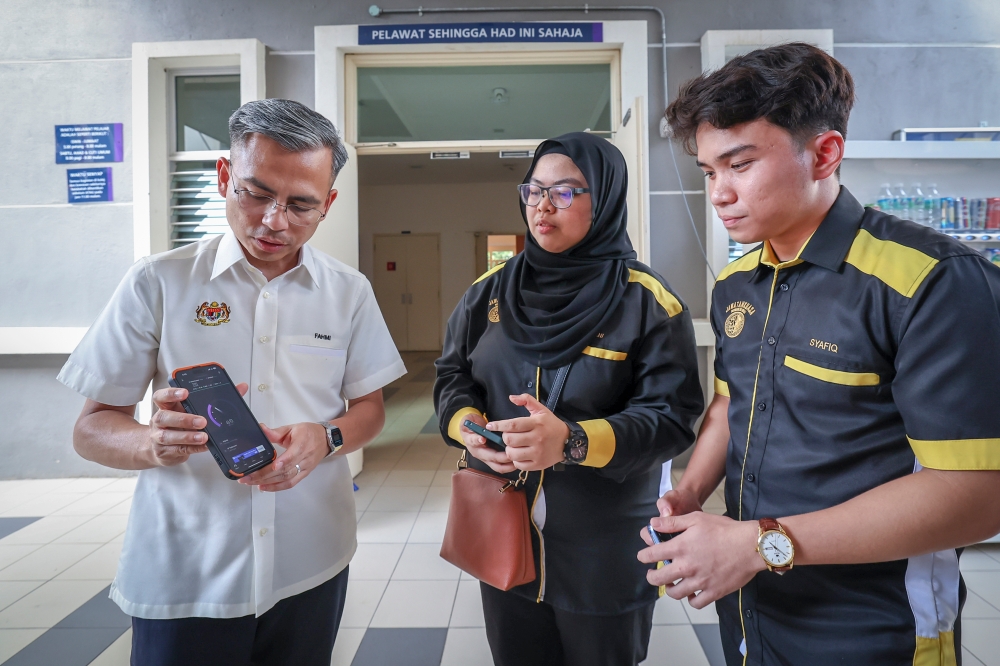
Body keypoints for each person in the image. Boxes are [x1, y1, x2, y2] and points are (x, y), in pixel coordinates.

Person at [639, 42, 1000, 665]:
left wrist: (759, 544)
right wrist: (692, 491)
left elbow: (975, 495)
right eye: (708, 172)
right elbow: (732, 402)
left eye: (740, 163)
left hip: (874, 625)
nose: (720, 192)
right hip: (754, 605)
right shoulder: (738, 284)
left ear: (825, 152)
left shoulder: (930, 282)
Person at [58, 99, 405, 666]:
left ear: (329, 205)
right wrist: (151, 441)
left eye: (301, 205)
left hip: (309, 558)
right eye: (256, 193)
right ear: (224, 176)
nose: (275, 221)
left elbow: (368, 408)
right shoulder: (159, 283)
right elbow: (92, 428)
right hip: (188, 569)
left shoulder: (348, 291)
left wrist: (328, 438)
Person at [435, 131, 704, 666]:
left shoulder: (646, 302)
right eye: (534, 191)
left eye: (565, 192)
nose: (543, 206)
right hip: (502, 532)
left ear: (604, 199)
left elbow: (671, 419)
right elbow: (452, 375)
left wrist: (574, 441)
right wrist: (465, 425)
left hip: (602, 546)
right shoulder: (489, 291)